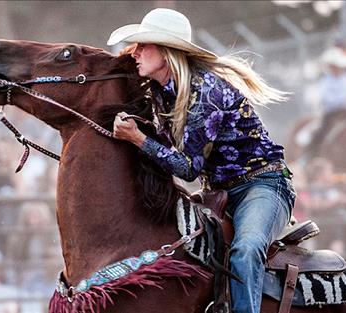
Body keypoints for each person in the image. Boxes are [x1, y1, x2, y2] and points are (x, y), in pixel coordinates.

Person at [108, 8, 296, 313]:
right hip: (219, 192)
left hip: (263, 185)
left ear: (166, 52)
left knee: (246, 251)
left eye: (144, 45)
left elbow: (187, 168)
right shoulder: (160, 91)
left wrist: (138, 139)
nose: (136, 53)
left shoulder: (206, 91)